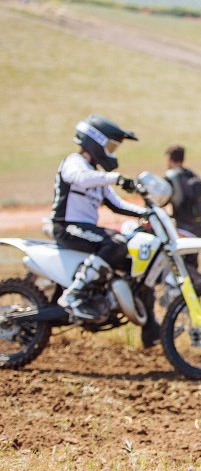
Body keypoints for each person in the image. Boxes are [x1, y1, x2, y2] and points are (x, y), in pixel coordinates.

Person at [52, 114, 144, 321]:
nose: (111, 153)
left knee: (125, 247)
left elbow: (116, 204)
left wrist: (147, 212)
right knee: (114, 244)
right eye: (110, 147)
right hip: (67, 227)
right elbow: (80, 178)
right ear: (95, 142)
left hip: (85, 229)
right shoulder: (74, 163)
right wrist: (116, 178)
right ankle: (73, 296)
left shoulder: (96, 174)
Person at [163, 144, 201, 268]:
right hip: (198, 229)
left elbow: (161, 201)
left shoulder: (171, 177)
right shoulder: (194, 176)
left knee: (180, 266)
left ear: (170, 159)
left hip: (181, 229)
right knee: (192, 265)